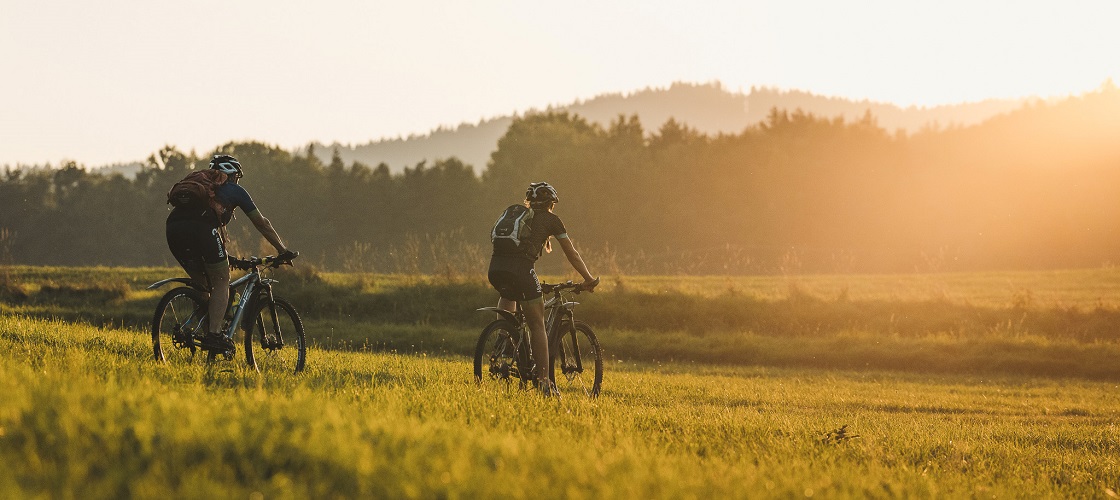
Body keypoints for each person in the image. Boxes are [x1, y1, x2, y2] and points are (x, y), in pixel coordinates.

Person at [165, 154, 294, 351]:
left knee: (202, 285)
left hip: (173, 229)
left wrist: (226, 256)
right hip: (201, 230)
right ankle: (214, 335)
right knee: (221, 280)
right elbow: (262, 223)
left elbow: (212, 233)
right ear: (233, 174)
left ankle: (203, 333)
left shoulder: (204, 190)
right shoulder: (234, 190)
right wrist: (282, 250)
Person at [487, 182, 599, 397]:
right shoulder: (551, 219)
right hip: (521, 271)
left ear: (529, 201)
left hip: (496, 269)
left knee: (508, 294)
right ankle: (544, 382)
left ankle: (504, 340)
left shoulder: (518, 216)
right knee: (537, 324)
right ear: (551, 203)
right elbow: (572, 253)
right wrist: (588, 279)